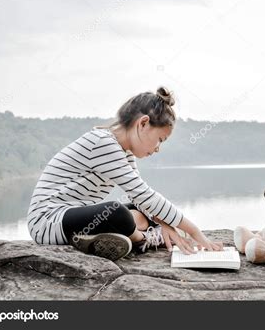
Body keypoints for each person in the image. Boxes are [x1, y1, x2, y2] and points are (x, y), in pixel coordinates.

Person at [27, 86, 223, 261]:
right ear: (143, 123)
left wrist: (168, 226)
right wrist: (196, 232)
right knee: (117, 212)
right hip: (47, 222)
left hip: (74, 218)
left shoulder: (124, 151)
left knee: (139, 211)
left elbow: (141, 200)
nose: (157, 149)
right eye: (160, 139)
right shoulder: (103, 143)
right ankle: (144, 239)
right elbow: (145, 195)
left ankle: (112, 237)